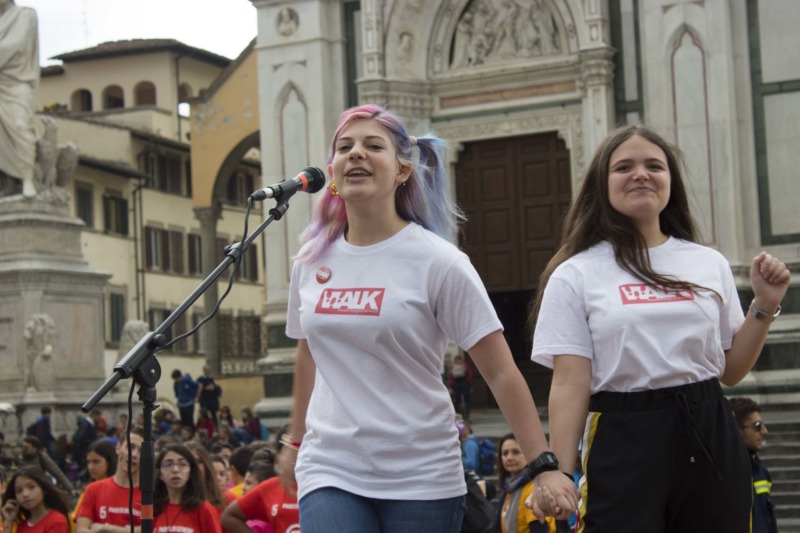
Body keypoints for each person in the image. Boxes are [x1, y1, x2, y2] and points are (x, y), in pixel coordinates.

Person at [280, 103, 577, 532]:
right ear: (332, 171)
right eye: (345, 147)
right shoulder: (310, 262)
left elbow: (499, 370)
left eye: (372, 145)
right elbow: (308, 353)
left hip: (420, 473)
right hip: (332, 465)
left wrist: (543, 463)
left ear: (402, 171)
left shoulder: (439, 261)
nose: (356, 153)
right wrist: (295, 439)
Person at [529, 124, 792, 532]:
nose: (641, 174)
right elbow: (569, 382)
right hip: (624, 432)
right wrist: (562, 472)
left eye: (655, 165)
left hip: (710, 429)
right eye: (624, 167)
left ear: (670, 181)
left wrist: (764, 304)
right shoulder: (575, 273)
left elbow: (732, 370)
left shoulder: (707, 263)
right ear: (602, 184)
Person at [0, 0, 38, 198]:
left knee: (20, 125)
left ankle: (27, 179)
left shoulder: (25, 15)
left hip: (17, 84)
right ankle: (6, 182)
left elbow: (16, 45)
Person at [74, 429, 144, 533]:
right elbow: (81, 529)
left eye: (141, 451)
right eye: (130, 447)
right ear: (118, 448)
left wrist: (107, 529)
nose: (134, 454)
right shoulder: (94, 490)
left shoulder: (149, 495)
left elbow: (150, 529)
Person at [730, 397, 778, 533]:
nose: (764, 431)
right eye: (757, 426)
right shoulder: (722, 474)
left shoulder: (760, 470)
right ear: (737, 431)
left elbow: (767, 518)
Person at [153, 444, 221, 533]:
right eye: (168, 464)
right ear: (160, 474)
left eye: (183, 464)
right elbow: (142, 528)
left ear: (190, 472)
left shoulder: (204, 509)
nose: (175, 470)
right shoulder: (151, 507)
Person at [495, 434, 555, 533]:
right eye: (505, 453)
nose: (509, 458)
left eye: (516, 452)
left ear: (528, 455)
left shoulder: (533, 488)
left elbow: (540, 529)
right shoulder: (509, 489)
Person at [1, 466, 70, 533]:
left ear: (44, 489)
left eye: (31, 487)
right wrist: (8, 522)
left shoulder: (56, 521)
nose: (25, 494)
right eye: (19, 491)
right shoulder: (22, 525)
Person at [448, 355, 474, 420]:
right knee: (467, 400)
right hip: (464, 383)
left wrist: (451, 386)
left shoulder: (451, 366)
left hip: (456, 384)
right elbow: (470, 376)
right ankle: (467, 416)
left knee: (457, 400)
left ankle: (460, 415)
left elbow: (450, 377)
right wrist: (469, 385)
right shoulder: (465, 365)